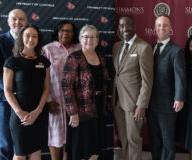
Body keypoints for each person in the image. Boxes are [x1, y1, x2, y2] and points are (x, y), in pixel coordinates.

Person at [3, 24, 50, 159]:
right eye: (27, 35)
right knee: (20, 154)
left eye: (34, 36)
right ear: (21, 38)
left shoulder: (44, 62)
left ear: (38, 39)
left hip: (39, 113)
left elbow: (46, 88)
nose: (31, 39)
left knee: (36, 153)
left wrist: (38, 111)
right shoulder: (12, 62)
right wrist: (20, 112)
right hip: (20, 115)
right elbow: (8, 90)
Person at [62, 24, 108, 160]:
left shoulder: (101, 57)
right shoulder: (74, 58)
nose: (89, 40)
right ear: (80, 39)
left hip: (99, 108)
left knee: (95, 148)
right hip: (81, 111)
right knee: (80, 149)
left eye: (92, 37)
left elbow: (105, 82)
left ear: (97, 40)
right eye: (85, 37)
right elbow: (66, 86)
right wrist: (73, 113)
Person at [0, 9, 27, 160]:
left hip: (25, 99)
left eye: (21, 19)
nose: (18, 22)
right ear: (8, 22)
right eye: (14, 19)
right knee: (5, 140)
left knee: (22, 141)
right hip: (4, 99)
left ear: (26, 22)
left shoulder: (29, 42)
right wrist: (13, 91)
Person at [112, 15, 153, 160]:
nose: (125, 28)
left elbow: (147, 80)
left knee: (133, 138)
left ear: (135, 27)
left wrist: (141, 105)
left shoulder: (144, 47)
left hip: (134, 103)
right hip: (117, 101)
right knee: (123, 137)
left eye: (128, 25)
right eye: (122, 26)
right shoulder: (116, 46)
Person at [147, 15, 186, 160]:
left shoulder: (176, 51)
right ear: (155, 28)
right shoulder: (148, 48)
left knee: (167, 142)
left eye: (165, 25)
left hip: (168, 104)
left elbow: (180, 77)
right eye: (159, 25)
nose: (161, 28)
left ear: (171, 28)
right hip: (150, 103)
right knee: (154, 140)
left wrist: (179, 98)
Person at [42, 20, 81, 160]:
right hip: (55, 100)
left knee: (70, 135)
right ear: (57, 32)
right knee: (56, 135)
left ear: (74, 34)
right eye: (62, 30)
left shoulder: (79, 49)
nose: (65, 33)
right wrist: (48, 100)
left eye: (69, 31)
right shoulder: (47, 49)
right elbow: (41, 77)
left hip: (74, 101)